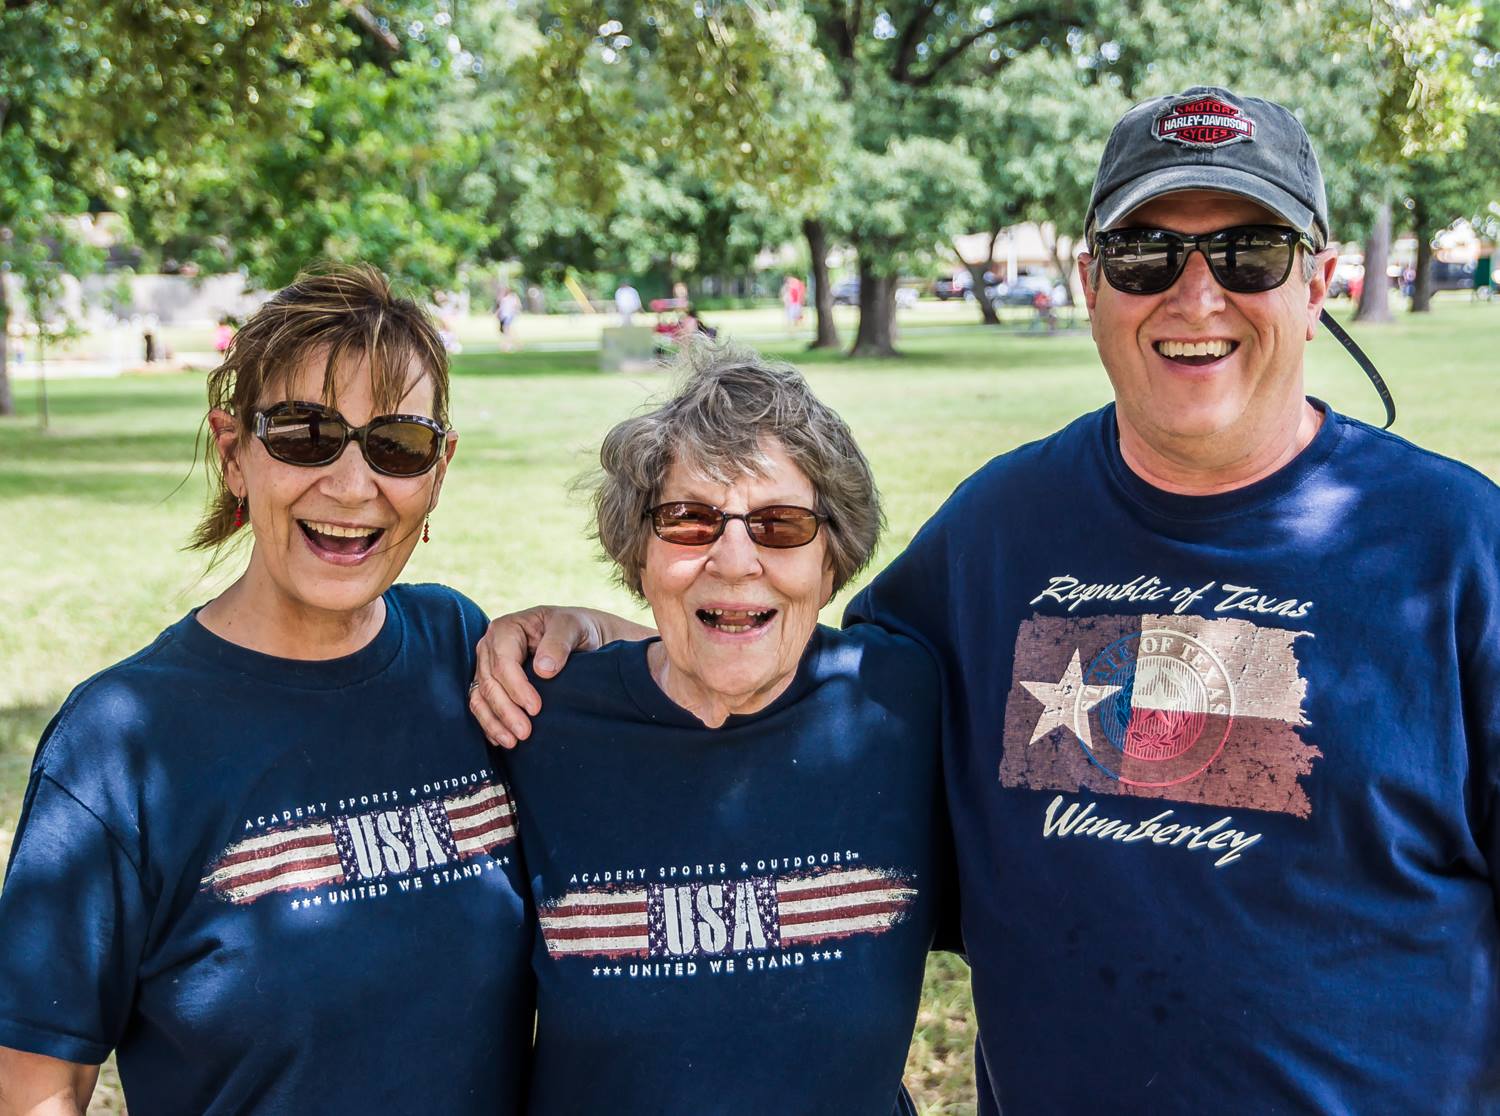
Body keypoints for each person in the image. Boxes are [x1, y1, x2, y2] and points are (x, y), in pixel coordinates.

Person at [471, 86, 1500, 1113]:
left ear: (1318, 284)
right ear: (1093, 283)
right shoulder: (996, 532)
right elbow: (786, 670)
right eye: (1146, 254)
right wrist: (612, 639)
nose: (1197, 296)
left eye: (1250, 253)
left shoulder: (1458, 548)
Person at [0, 265, 534, 1114]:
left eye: (396, 444)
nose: (353, 485)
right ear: (233, 453)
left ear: (438, 469)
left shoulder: (458, 648)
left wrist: (577, 624)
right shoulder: (120, 743)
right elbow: (34, 1087)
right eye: (303, 433)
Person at [481, 347, 946, 1114]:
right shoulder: (537, 722)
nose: (734, 560)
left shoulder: (903, 704)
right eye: (689, 520)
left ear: (835, 559)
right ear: (640, 553)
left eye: (781, 524)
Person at [495, 285, 522, 352]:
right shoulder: (503, 298)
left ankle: (507, 345)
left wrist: (515, 311)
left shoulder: (512, 297)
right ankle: (516, 344)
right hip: (504, 316)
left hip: (509, 316)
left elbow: (517, 306)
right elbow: (500, 308)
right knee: (508, 331)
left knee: (507, 330)